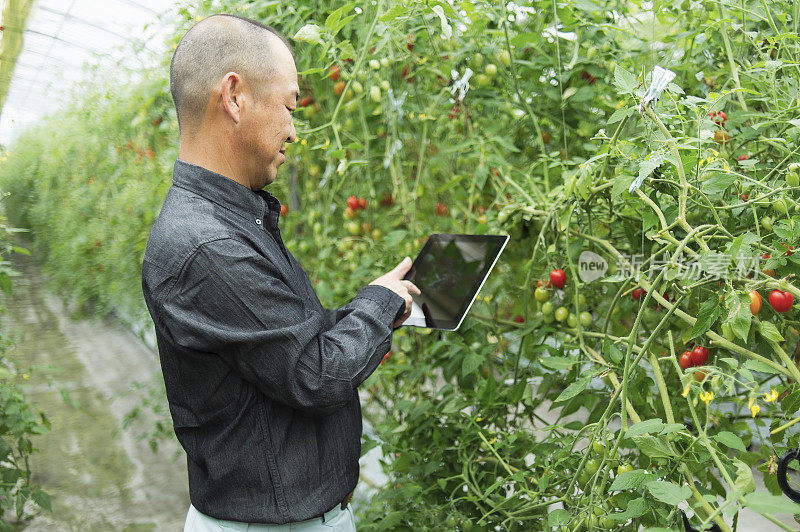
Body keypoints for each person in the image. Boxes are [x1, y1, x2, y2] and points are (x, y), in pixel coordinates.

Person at [141, 13, 420, 532]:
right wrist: (378, 307)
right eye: (290, 107)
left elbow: (284, 346)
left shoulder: (226, 220)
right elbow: (316, 375)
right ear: (234, 97)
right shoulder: (211, 246)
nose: (294, 129)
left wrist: (382, 304)